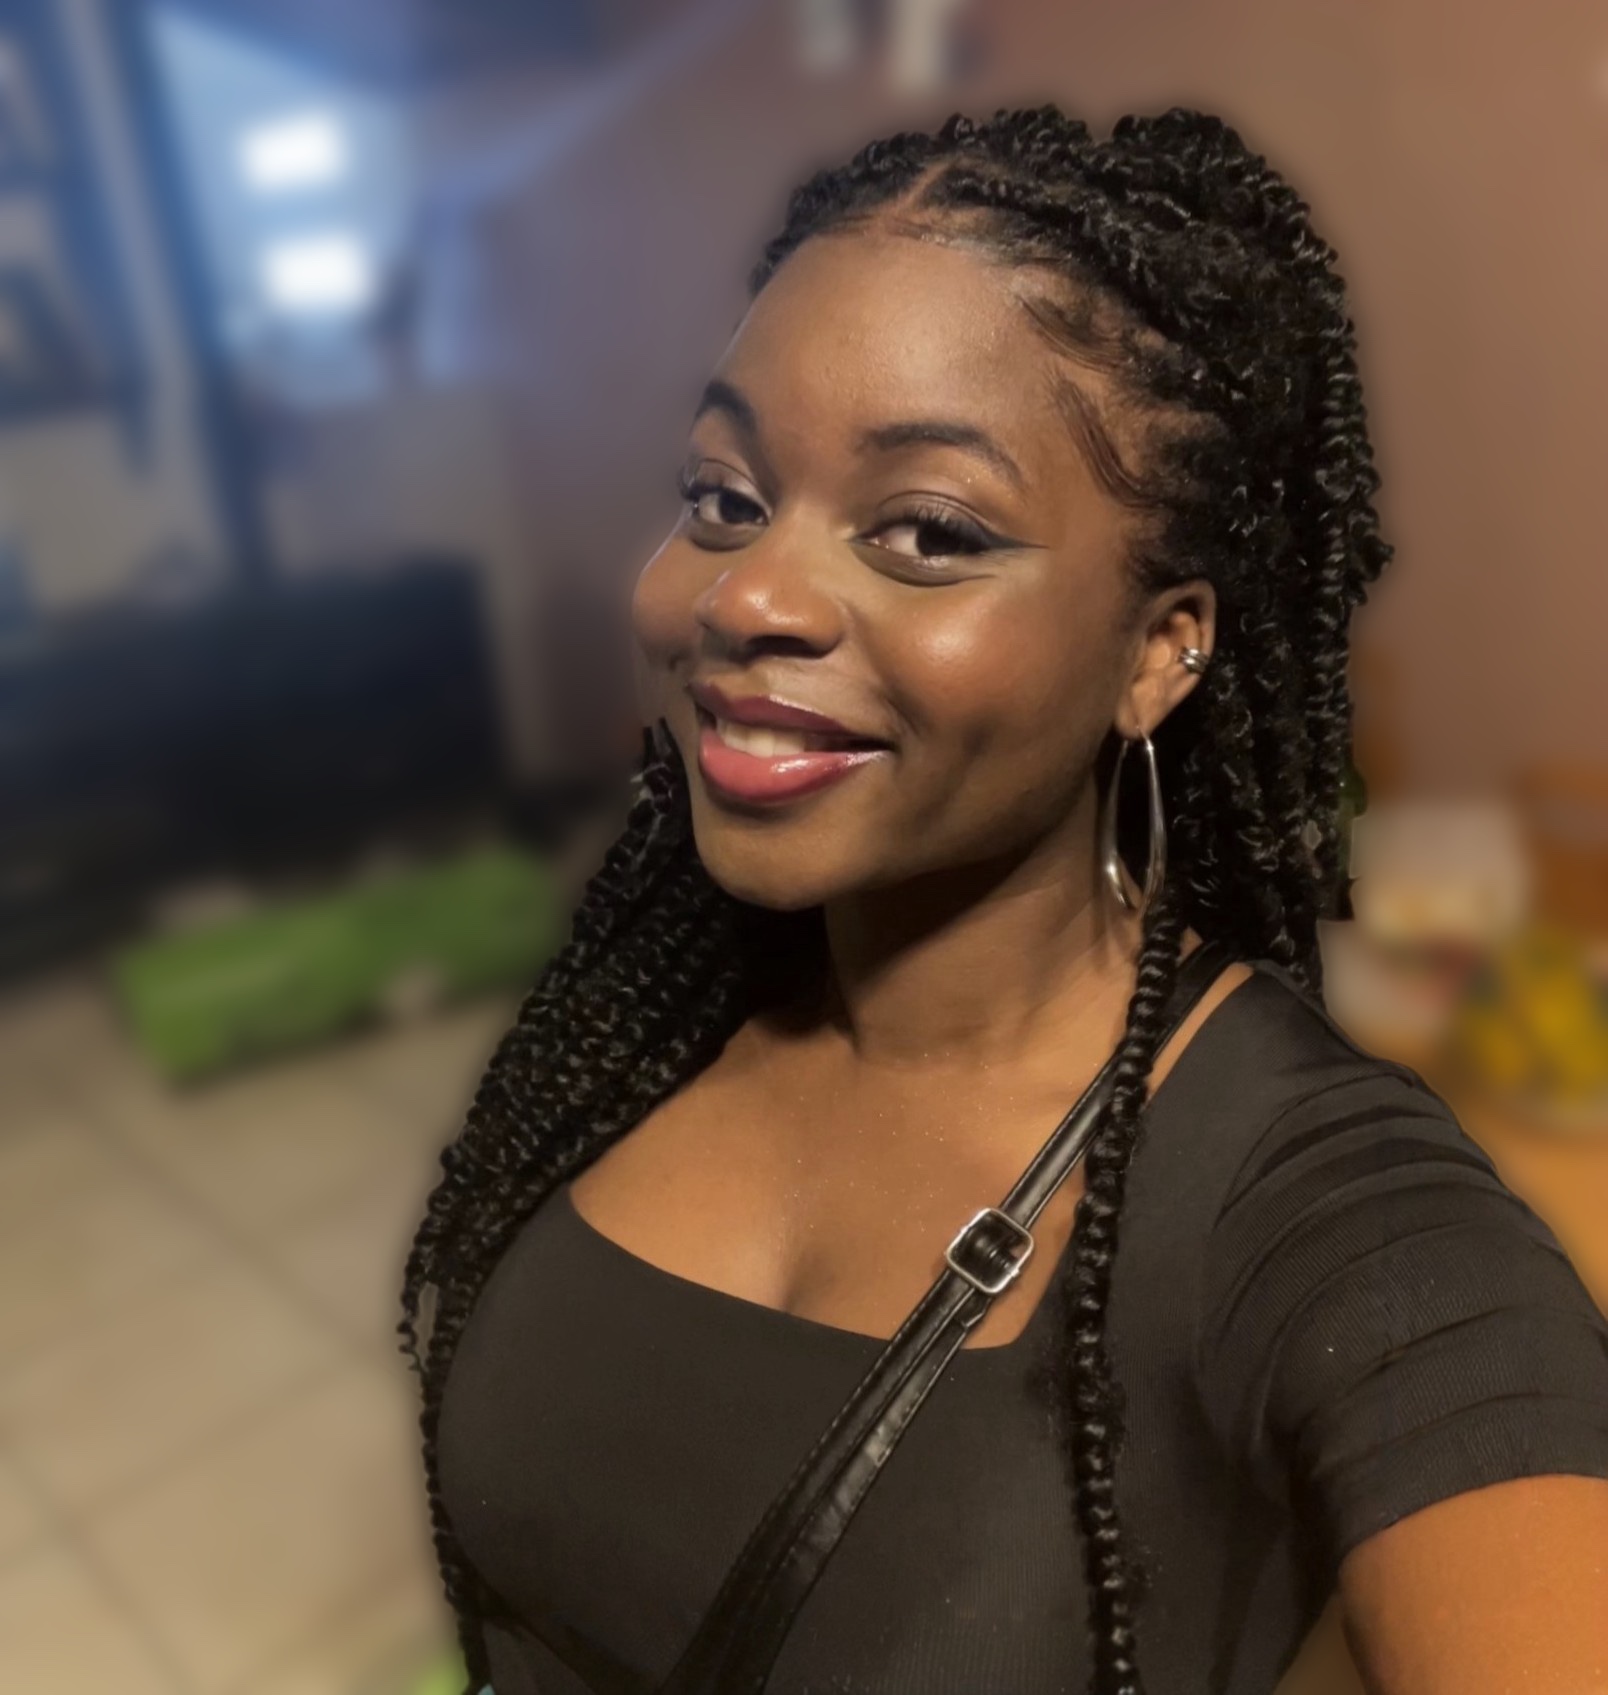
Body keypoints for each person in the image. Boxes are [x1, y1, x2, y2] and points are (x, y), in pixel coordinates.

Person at [401, 106, 1608, 1695]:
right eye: (724, 497)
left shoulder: (1321, 1211)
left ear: (1159, 650)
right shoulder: (667, 1004)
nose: (746, 595)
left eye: (927, 531)